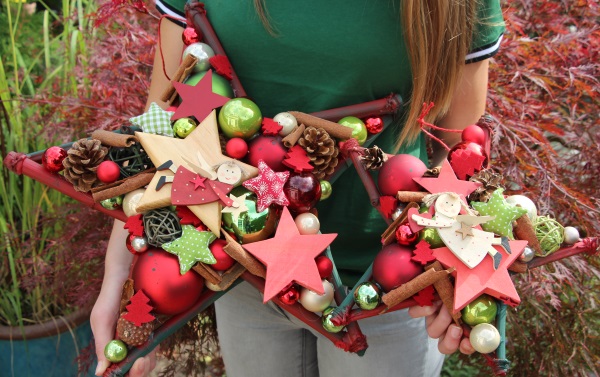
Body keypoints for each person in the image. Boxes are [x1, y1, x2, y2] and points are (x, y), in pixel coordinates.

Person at [92, 1, 506, 376]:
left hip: (385, 293)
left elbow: (458, 152)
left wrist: (461, 271)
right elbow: (163, 129)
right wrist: (118, 275)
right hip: (243, 270)